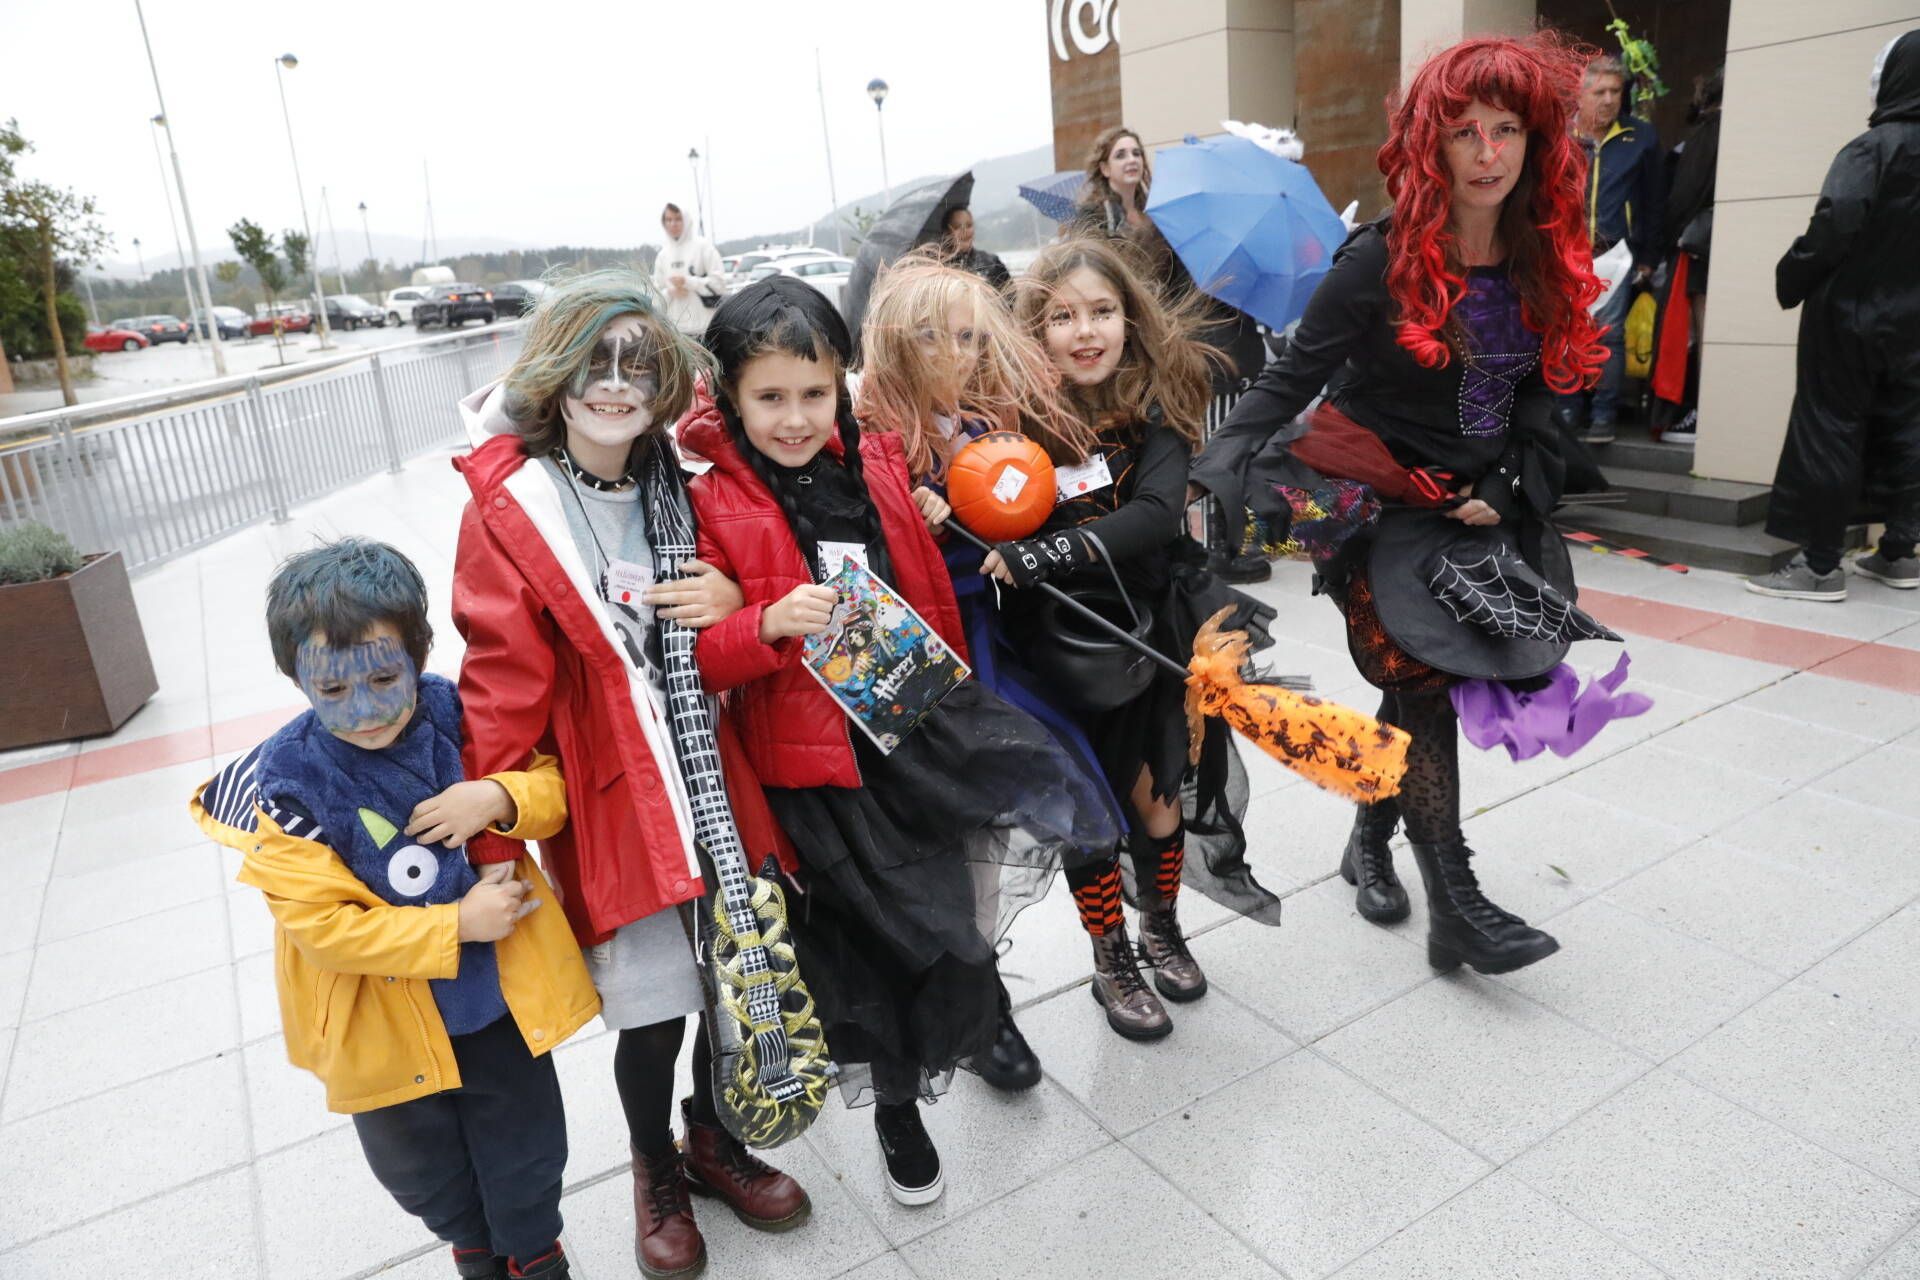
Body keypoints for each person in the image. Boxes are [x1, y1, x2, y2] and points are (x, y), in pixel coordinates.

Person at [1191, 33, 1624, 975]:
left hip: (1476, 509)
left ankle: (1370, 842)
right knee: (1423, 683)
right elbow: (1289, 377)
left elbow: (1551, 389)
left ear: (1538, 139)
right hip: (1368, 498)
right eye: (1465, 131)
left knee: (1408, 683)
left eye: (1507, 129)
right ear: (1432, 143)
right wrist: (1218, 459)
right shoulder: (1380, 260)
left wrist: (1505, 488)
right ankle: (1456, 900)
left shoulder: (1547, 255)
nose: (1487, 153)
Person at [680, 276, 1117, 1207]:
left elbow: (927, 597)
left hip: (912, 733)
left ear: (842, 382)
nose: (795, 417)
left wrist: (955, 706)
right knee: (873, 953)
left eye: (813, 392)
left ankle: (975, 1024)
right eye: (770, 397)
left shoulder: (875, 463)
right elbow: (698, 659)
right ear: (729, 395)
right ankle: (896, 1110)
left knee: (950, 927)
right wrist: (762, 624)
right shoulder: (710, 501)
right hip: (818, 775)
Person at [450, 271, 810, 1280]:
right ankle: (655, 1165)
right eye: (598, 365)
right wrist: (495, 840)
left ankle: (712, 1135)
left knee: (734, 982)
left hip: (716, 781)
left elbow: (730, 640)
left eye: (638, 368)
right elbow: (500, 686)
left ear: (662, 387)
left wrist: (736, 599)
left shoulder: (682, 489)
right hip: (617, 795)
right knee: (652, 1003)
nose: (616, 386)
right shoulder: (511, 509)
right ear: (559, 373)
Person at [191, 538, 598, 1280]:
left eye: (384, 676)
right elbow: (322, 926)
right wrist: (455, 925)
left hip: (495, 1009)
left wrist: (500, 796)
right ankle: (474, 1251)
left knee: (527, 1145)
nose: (367, 709)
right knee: (423, 1169)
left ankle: (536, 1254)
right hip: (380, 1025)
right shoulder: (286, 784)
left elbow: (551, 781)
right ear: (297, 679)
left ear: (418, 652)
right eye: (335, 691)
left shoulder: (457, 714)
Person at [856, 257, 1172, 1043]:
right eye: (932, 335)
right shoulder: (867, 438)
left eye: (967, 336)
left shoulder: (984, 423)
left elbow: (1076, 511)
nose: (954, 352)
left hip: (1003, 642)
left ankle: (1118, 952)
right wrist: (902, 502)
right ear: (896, 341)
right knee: (956, 848)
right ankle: (983, 1011)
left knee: (1080, 793)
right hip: (917, 658)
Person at [994, 236, 1282, 1017]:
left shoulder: (1157, 423)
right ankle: (1109, 956)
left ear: (1130, 321)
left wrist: (1048, 548)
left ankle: (1162, 928)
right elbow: (983, 507)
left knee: (1158, 805)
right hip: (1054, 655)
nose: (1085, 331)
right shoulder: (1012, 434)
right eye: (1063, 316)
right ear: (1036, 331)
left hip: (1149, 641)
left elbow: (1156, 517)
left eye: (1103, 311)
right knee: (1088, 817)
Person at [1746, 30, 1920, 603]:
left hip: (1849, 315)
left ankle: (1819, 566)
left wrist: (1790, 276)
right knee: (1907, 427)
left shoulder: (1872, 149)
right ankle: (1899, 550)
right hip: (1914, 321)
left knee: (1829, 428)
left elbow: (1836, 221)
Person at [1553, 54, 1664, 445]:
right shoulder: (1559, 138)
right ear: (1579, 96)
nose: (1608, 99)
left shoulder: (1641, 137)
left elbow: (1653, 203)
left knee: (1608, 335)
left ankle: (1603, 414)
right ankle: (1567, 411)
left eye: (1615, 91)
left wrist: (1648, 258)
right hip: (1564, 252)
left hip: (1614, 252)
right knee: (1565, 334)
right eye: (1599, 91)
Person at [1647, 68, 1723, 445]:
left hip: (1699, 251)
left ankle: (1702, 412)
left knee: (1700, 333)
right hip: (1714, 248)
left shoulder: (1709, 135)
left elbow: (1680, 201)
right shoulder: (1728, 131)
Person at [652, 202, 728, 337]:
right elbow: (655, 297)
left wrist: (688, 282)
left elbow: (719, 284)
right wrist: (670, 292)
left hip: (705, 329)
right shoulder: (662, 256)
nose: (673, 224)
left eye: (677, 219)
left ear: (686, 220)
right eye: (668, 220)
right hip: (676, 333)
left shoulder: (703, 247)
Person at [939, 206, 1011, 291]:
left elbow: (1011, 299)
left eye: (969, 225)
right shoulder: (939, 266)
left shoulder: (992, 263)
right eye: (957, 227)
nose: (964, 231)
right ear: (947, 232)